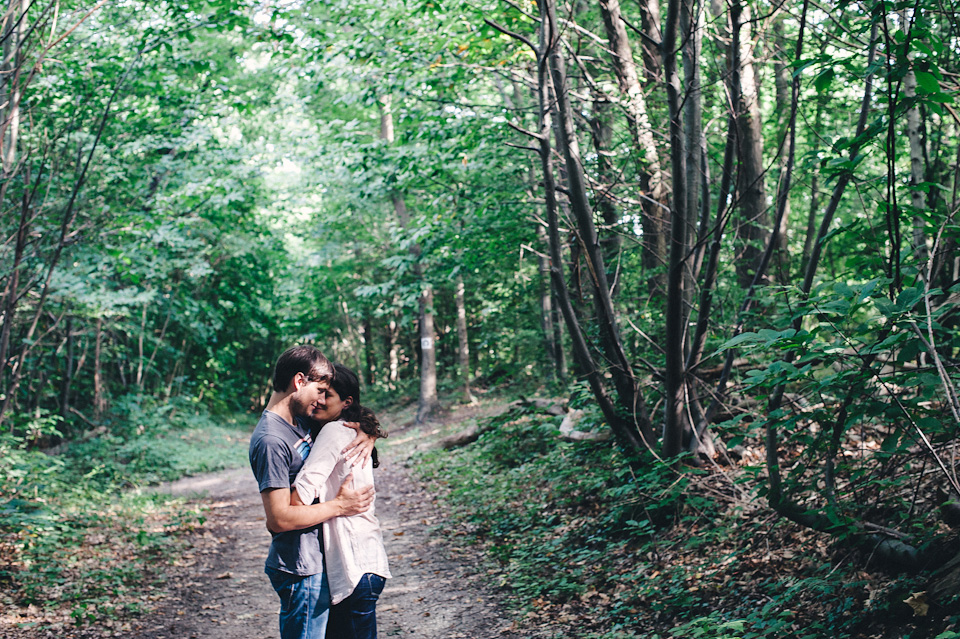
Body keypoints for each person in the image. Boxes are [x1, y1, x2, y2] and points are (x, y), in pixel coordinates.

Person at [249, 345, 377, 639]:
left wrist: (366, 432)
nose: (321, 400)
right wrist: (341, 506)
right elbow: (278, 519)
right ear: (298, 382)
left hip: (318, 561)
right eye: (319, 390)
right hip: (299, 565)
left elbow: (344, 416)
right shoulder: (271, 439)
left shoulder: (300, 420)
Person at [292, 364, 391, 639]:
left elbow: (302, 492)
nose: (320, 400)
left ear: (346, 402)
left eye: (328, 395)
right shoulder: (345, 429)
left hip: (354, 566)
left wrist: (279, 506)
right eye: (319, 392)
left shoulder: (335, 431)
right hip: (365, 564)